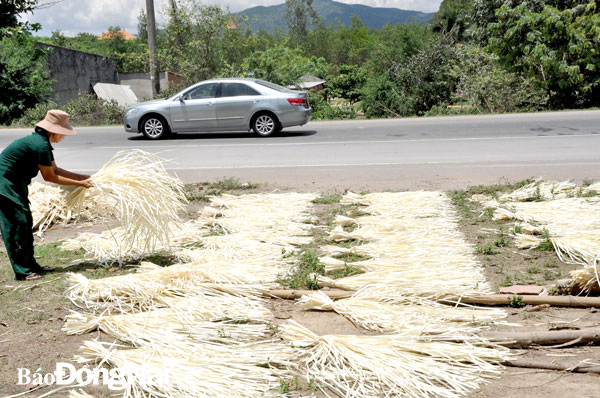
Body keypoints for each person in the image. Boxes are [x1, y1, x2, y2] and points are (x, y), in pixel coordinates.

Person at [0, 110, 93, 281]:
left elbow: (55, 169)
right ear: (52, 131)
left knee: (25, 223)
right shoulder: (39, 145)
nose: (63, 137)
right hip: (4, 185)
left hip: (16, 185)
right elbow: (49, 177)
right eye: (62, 133)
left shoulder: (42, 143)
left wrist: (83, 177)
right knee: (17, 224)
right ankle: (22, 271)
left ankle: (31, 266)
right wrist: (80, 184)